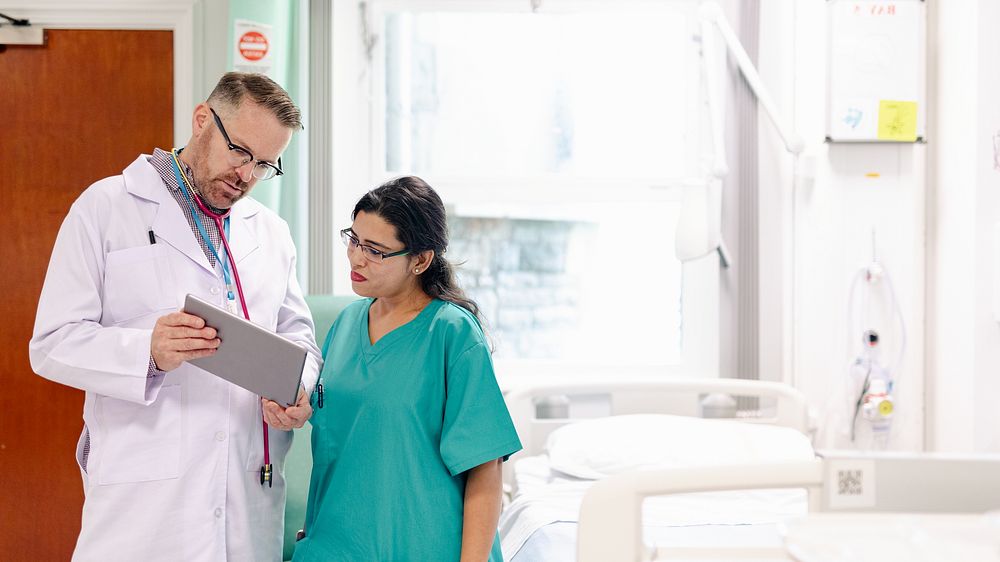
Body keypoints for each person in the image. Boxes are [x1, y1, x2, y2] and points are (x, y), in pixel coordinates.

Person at [29, 72, 321, 561]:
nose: (247, 175)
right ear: (202, 119)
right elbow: (52, 343)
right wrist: (147, 350)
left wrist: (297, 387)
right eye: (240, 152)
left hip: (246, 494)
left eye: (266, 164)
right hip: (145, 505)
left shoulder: (270, 232)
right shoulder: (105, 208)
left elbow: (299, 336)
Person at [292, 177, 522, 562]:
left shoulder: (451, 333)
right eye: (354, 239)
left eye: (376, 250)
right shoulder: (345, 325)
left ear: (420, 260)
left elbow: (485, 469)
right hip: (334, 547)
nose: (356, 258)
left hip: (426, 548)